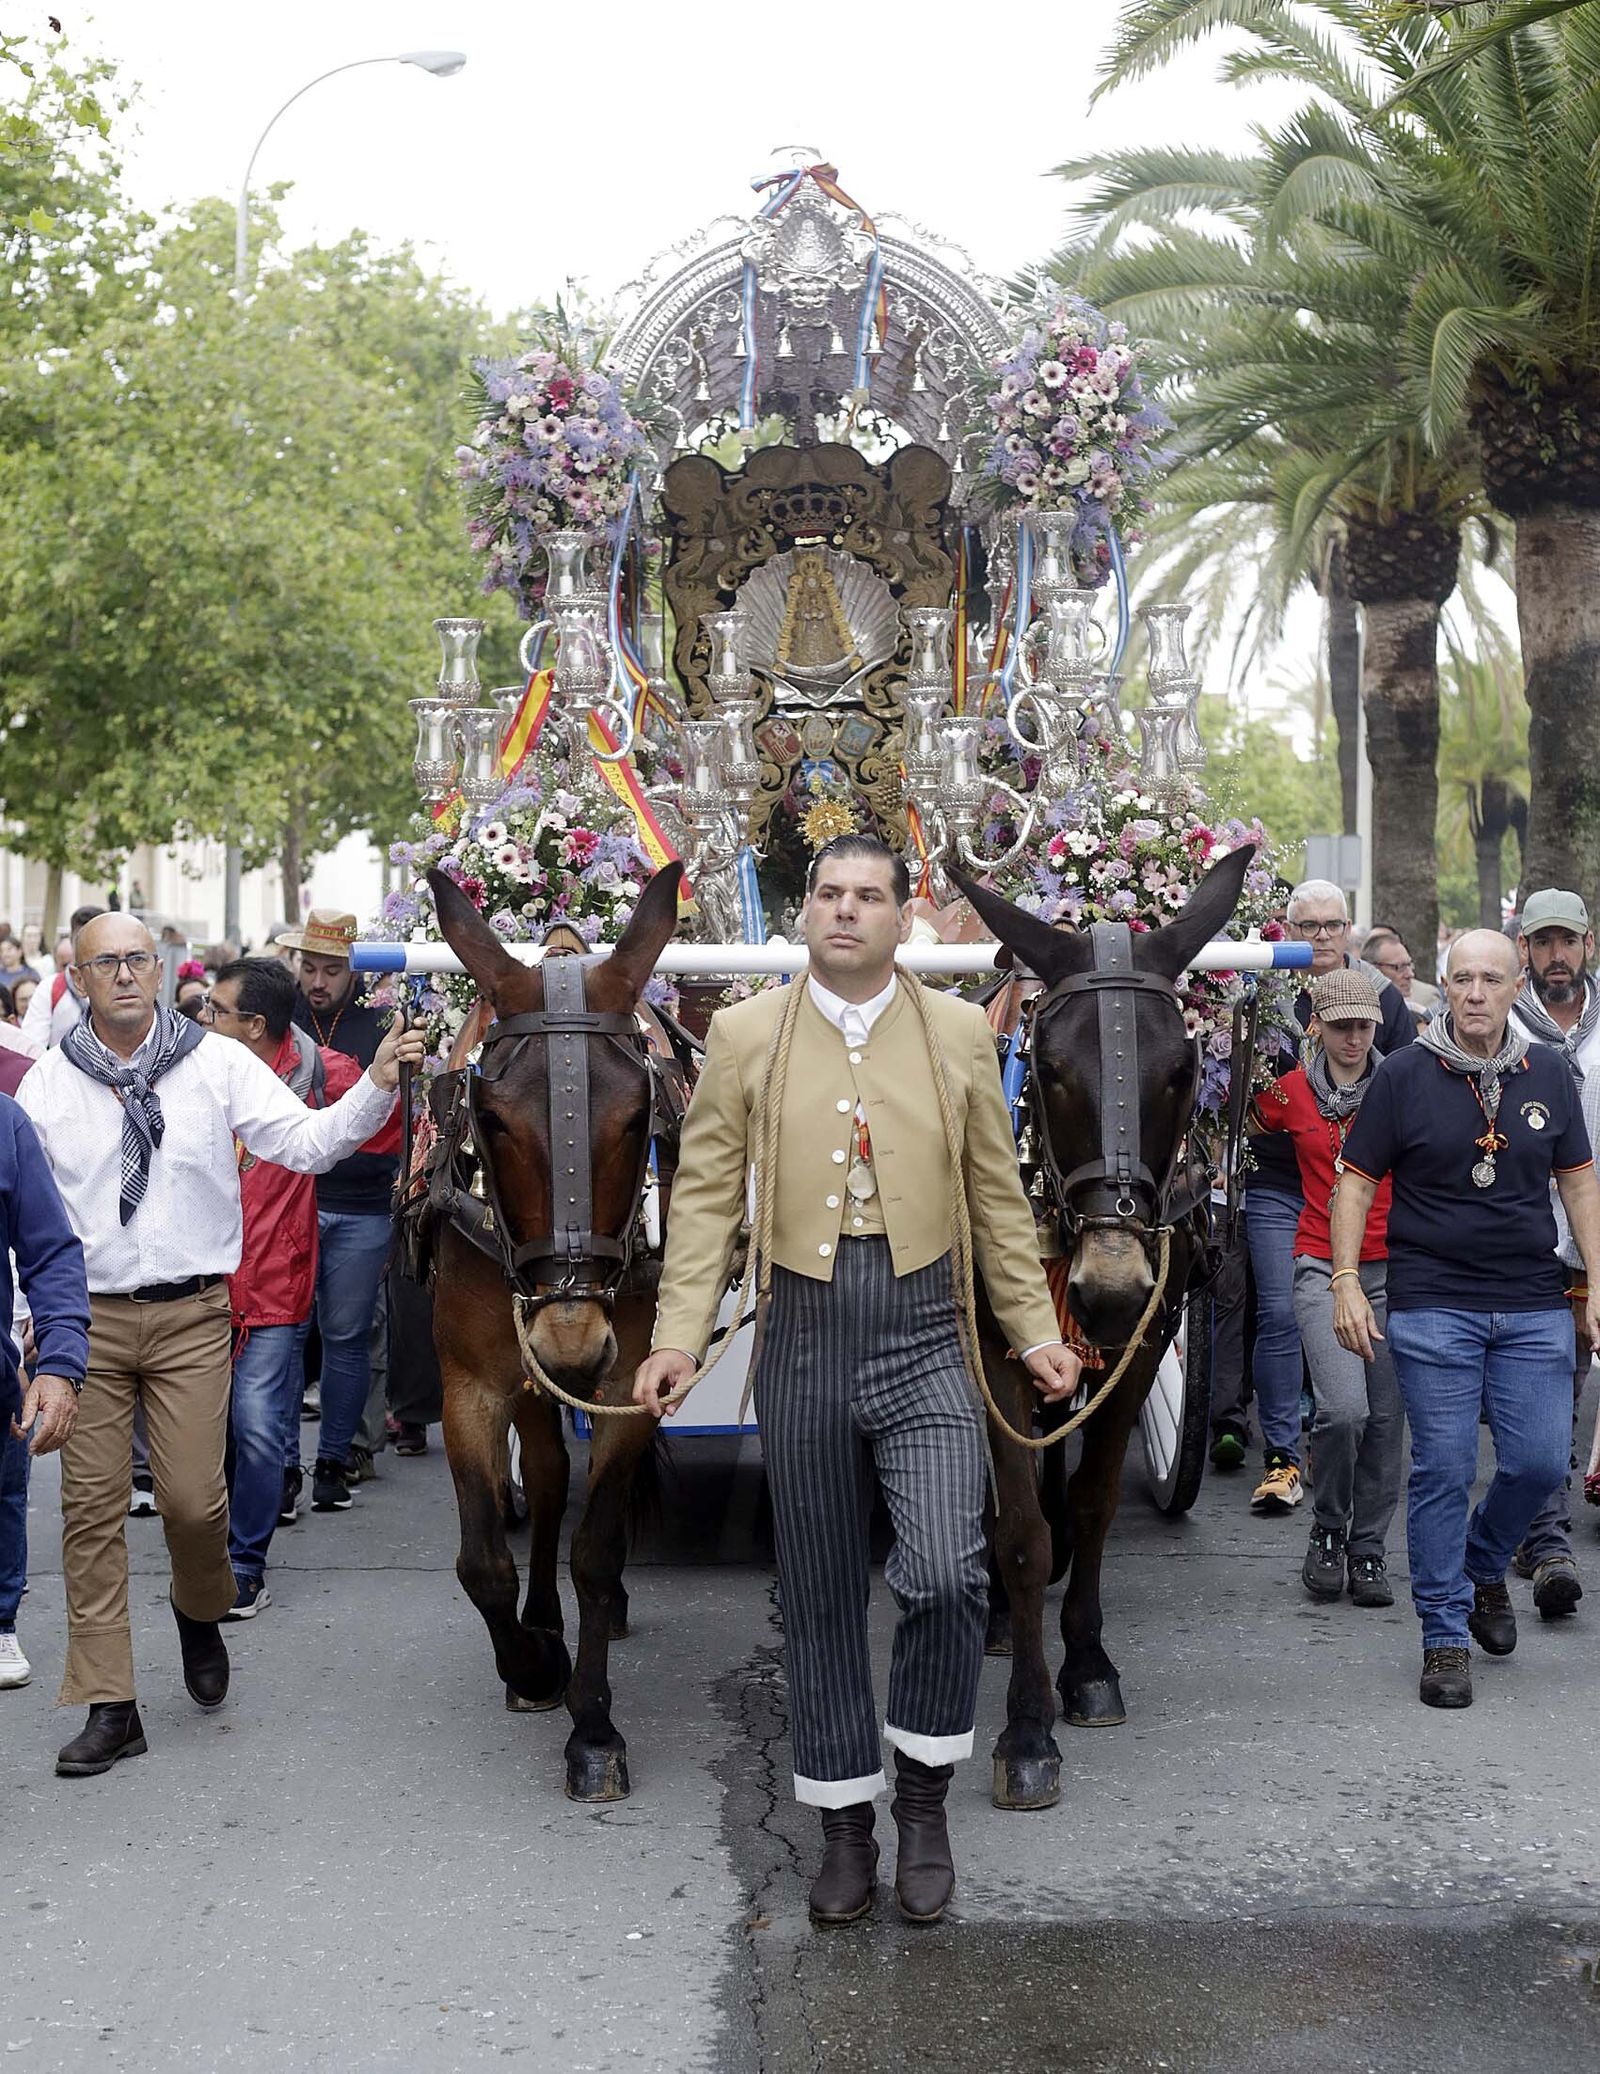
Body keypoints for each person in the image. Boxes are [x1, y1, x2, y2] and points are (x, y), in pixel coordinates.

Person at [633, 834, 1080, 1927]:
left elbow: (996, 1201)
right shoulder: (743, 1035)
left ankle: (922, 1803)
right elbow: (702, 1202)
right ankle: (845, 1825)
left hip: (930, 1332)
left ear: (898, 917)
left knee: (943, 1574)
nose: (845, 910)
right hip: (804, 1337)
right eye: (828, 894)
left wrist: (1030, 1332)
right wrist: (679, 1336)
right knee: (822, 1596)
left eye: (868, 895)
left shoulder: (958, 1031)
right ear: (806, 915)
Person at [16, 912, 424, 1776]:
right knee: (88, 1514)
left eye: (138, 959)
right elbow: (27, 1229)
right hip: (84, 1321)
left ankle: (200, 1613)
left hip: (197, 1314)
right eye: (105, 963)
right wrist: (33, 1335)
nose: (125, 974)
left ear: (159, 972)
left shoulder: (216, 1062)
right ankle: (111, 1703)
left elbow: (308, 1144)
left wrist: (379, 1083)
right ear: (79, 982)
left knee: (195, 1505)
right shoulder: (48, 1088)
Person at [1332, 929, 1600, 1709]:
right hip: (1432, 1304)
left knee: (1541, 1463)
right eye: (1461, 980)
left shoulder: (1549, 1070)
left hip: (1531, 1302)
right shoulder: (1404, 1076)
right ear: (1442, 989)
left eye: (1491, 979)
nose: (1475, 993)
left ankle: (1484, 1563)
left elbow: (1580, 1185)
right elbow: (1354, 1184)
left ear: (1518, 988)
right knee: (1444, 1468)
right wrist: (1346, 1280)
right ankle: (1444, 1634)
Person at [1242, 879, 1415, 1515]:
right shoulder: (1261, 989)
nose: (1320, 936)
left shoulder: (1383, 1003)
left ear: (1349, 929)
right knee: (1284, 1315)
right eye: (1308, 925)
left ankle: (1351, 1502)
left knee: (1373, 1401)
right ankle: (1284, 1456)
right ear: (1289, 930)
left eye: (1332, 925)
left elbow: (1409, 1090)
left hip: (1362, 1194)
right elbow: (1242, 1111)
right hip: (1282, 1183)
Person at [203, 958, 368, 1615]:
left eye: (215, 1011)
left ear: (255, 1025)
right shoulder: (196, 1074)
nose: (201, 1019)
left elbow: (381, 1119)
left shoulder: (322, 1074)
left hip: (275, 1283)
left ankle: (246, 1564)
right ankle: (210, 1547)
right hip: (202, 1286)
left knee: (258, 1428)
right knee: (209, 1433)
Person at [1250, 969, 1404, 1606]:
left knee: (1389, 1420)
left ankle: (1369, 1549)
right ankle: (1329, 1528)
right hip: (1319, 1263)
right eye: (1340, 1026)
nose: (1353, 1039)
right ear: (1316, 1025)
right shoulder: (1287, 1094)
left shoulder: (1400, 1085)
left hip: (1398, 1269)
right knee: (1344, 1412)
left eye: (1364, 1027)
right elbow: (1232, 1126)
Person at [284, 910, 402, 1506]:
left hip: (362, 1205)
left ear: (354, 971)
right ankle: (282, 1466)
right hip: (294, 1200)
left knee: (348, 1335)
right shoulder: (280, 1021)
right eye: (309, 967)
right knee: (282, 1333)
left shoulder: (382, 1023)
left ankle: (334, 1461)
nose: (318, 981)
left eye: (331, 969)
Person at [1506, 887, 1600, 1619]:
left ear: (1588, 946)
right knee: (1551, 1394)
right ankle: (1546, 1539)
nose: (1556, 956)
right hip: (1527, 1243)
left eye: (1566, 941)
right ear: (1525, 952)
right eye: (1542, 944)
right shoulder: (1499, 1025)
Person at [0, 1069, 91, 1695]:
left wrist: (59, 1364)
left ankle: (0, 1621)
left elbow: (50, 1250)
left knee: (5, 1489)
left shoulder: (6, 1122)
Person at [20, 906, 105, 1054]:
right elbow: (31, 1047)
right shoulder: (49, 988)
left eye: (98, 939)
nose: (91, 947)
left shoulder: (123, 986)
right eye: (82, 940)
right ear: (72, 941)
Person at [1364, 930, 1440, 1026]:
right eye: (1399, 967)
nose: (1410, 974)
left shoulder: (1422, 1011)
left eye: (1409, 965)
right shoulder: (1357, 1012)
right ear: (1373, 969)